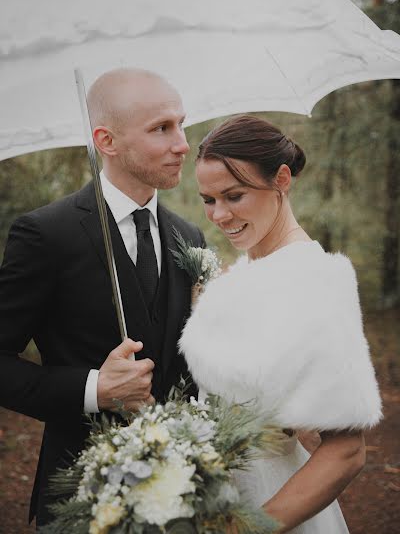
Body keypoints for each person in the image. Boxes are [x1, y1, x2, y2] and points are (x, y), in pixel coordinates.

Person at [0, 68, 205, 528]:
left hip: (186, 494)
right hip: (81, 497)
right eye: (161, 128)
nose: (183, 144)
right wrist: (94, 389)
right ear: (106, 141)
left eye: (181, 123)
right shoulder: (44, 235)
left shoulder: (188, 237)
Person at [179, 114, 382, 533]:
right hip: (213, 496)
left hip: (268, 506)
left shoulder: (312, 278)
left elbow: (346, 451)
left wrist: (246, 527)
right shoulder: (246, 271)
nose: (218, 215)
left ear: (282, 179)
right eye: (208, 199)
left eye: (234, 195)